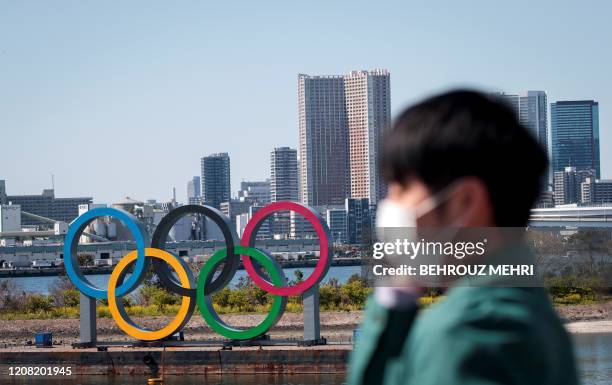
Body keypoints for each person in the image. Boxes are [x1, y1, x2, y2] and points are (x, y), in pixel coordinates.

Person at [348, 90, 578, 385]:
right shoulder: (531, 314)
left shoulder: (460, 333)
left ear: (465, 202)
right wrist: (397, 298)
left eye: (402, 186)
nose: (390, 202)